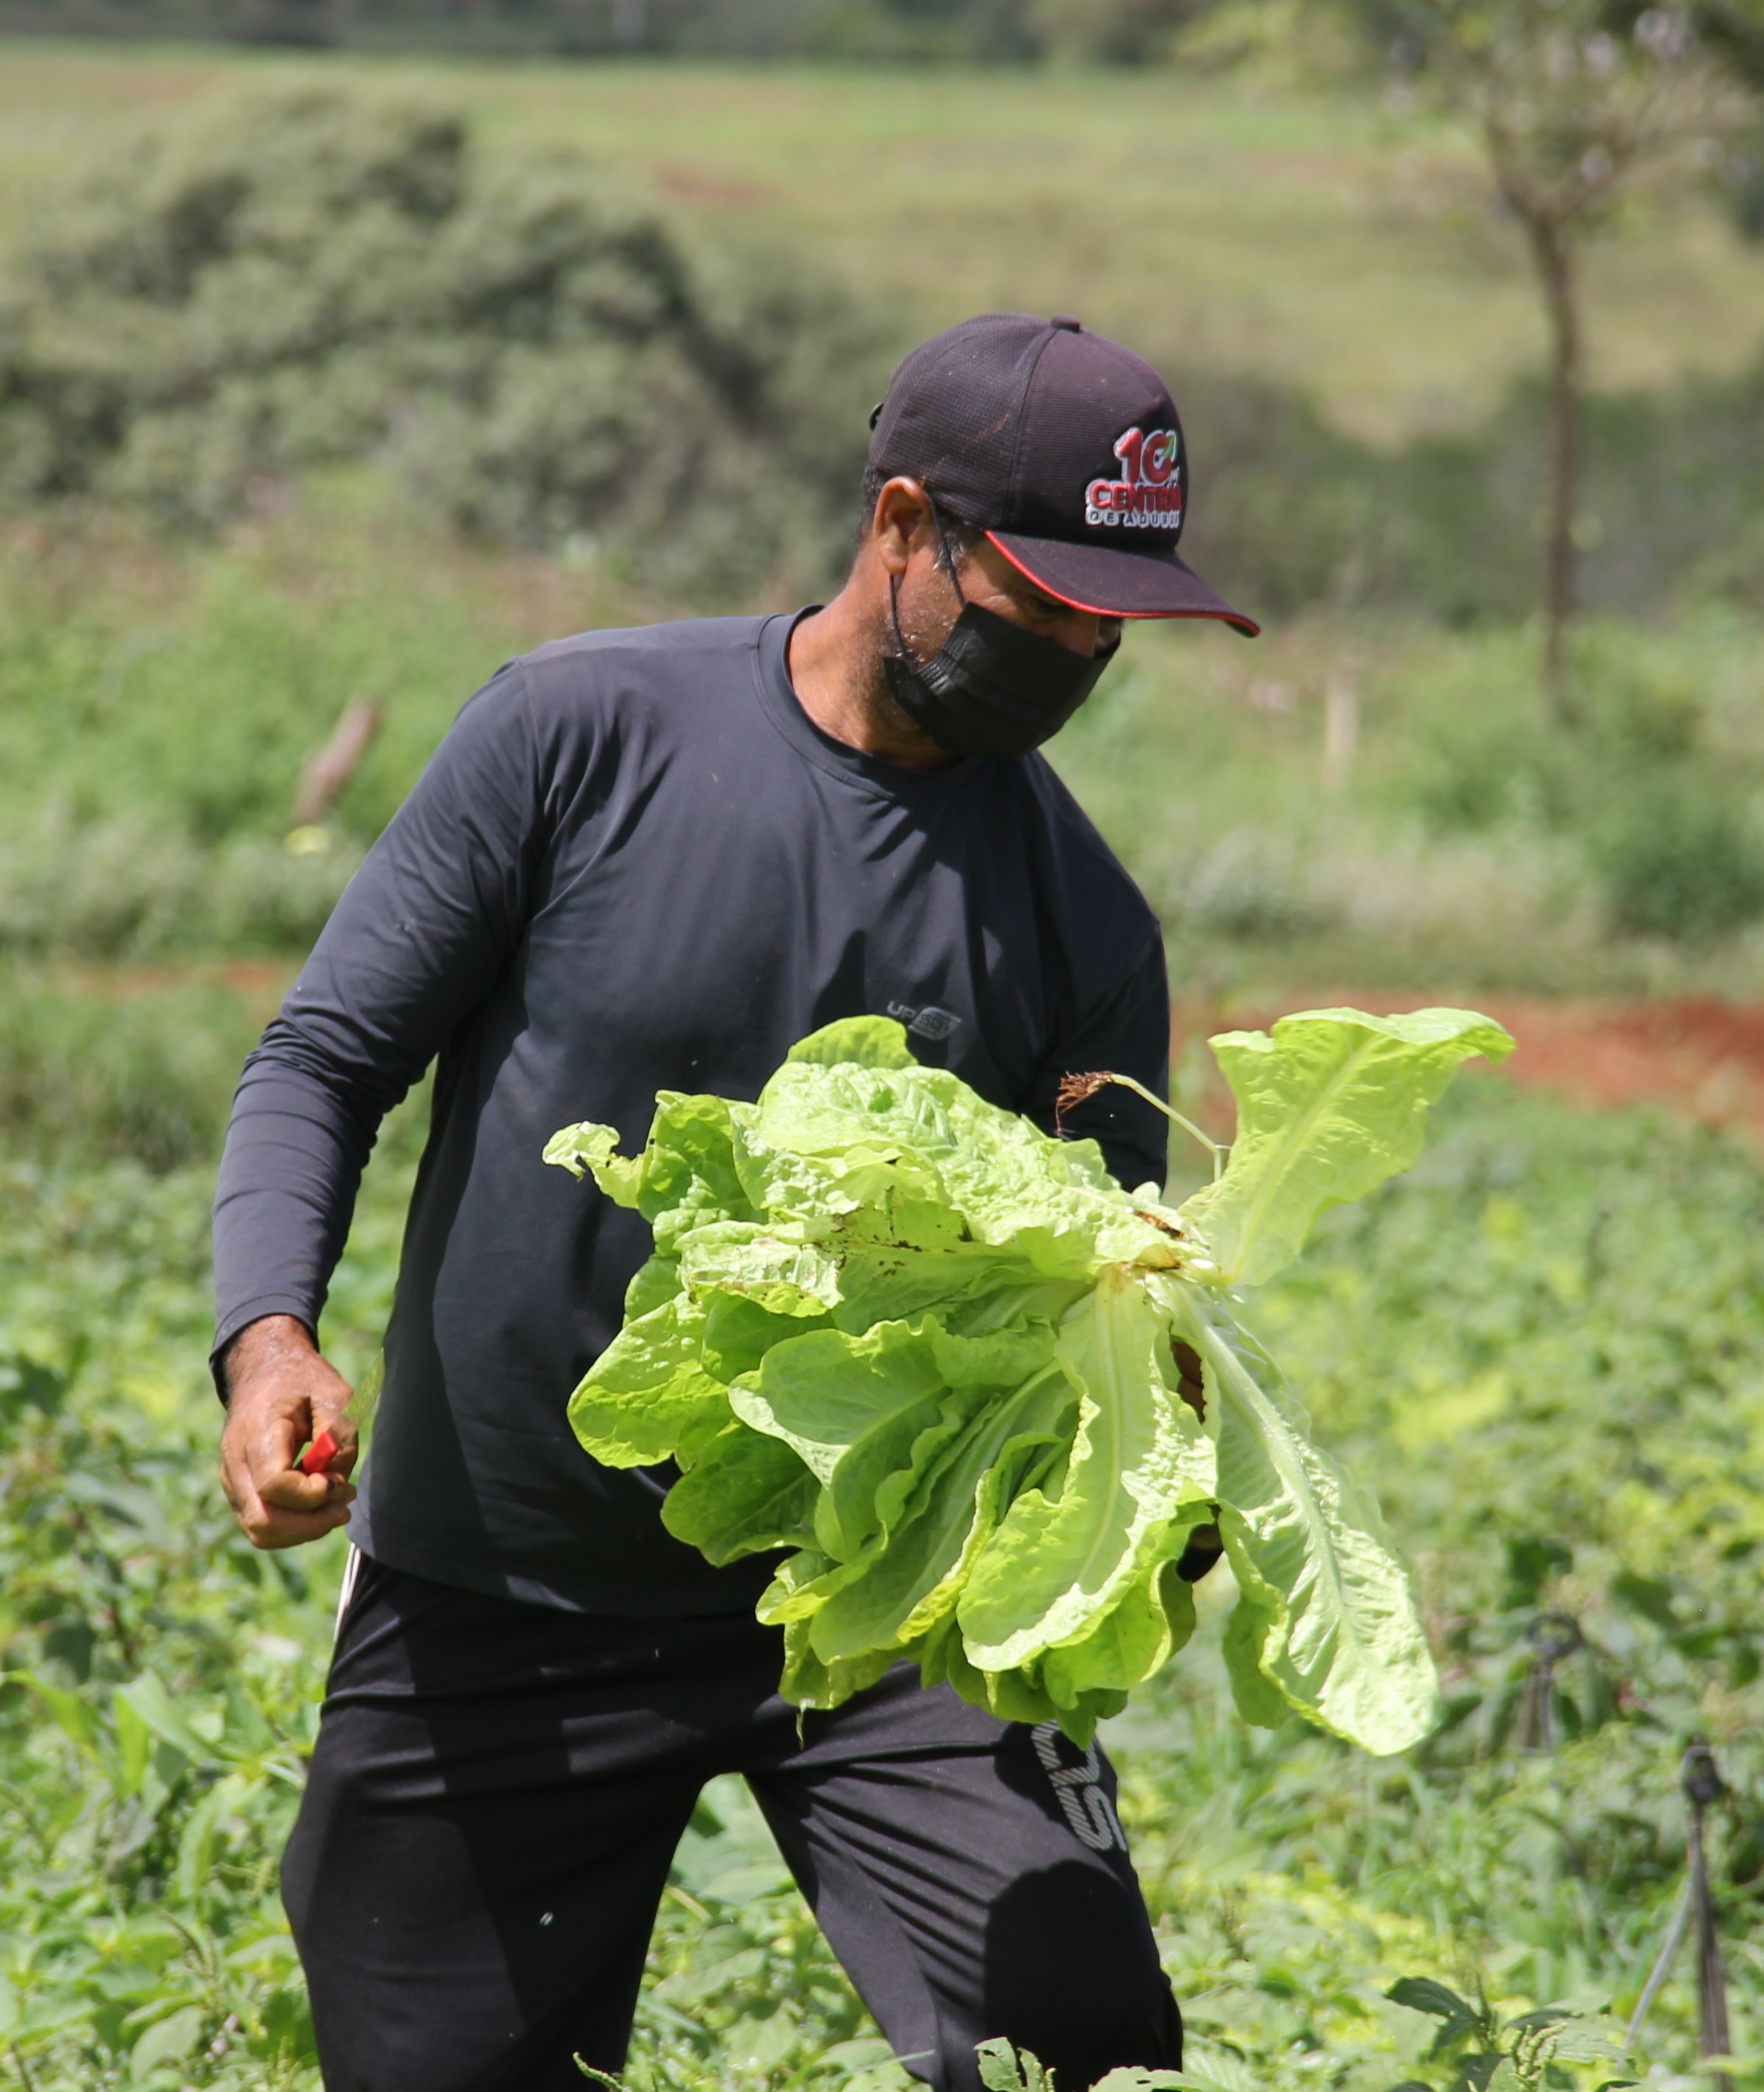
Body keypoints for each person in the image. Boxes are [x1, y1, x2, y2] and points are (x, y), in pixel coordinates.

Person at [209, 312, 1257, 2092]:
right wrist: (268, 1335)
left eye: (1114, 616)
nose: (1080, 644)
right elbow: (322, 1058)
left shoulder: (1084, 921)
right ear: (903, 523)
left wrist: (1168, 1462)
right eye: (1043, 593)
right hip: (506, 1580)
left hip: (877, 1609)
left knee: (1088, 2047)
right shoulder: (579, 734)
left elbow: (1099, 1313)